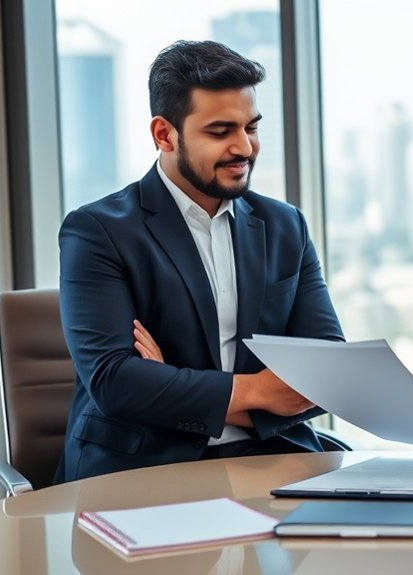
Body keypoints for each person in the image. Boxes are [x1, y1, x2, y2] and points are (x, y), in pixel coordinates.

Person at [56, 40, 343, 482]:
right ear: (164, 134)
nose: (244, 147)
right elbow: (116, 383)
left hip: (271, 462)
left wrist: (171, 384)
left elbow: (328, 372)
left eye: (251, 127)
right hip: (142, 469)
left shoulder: (285, 225)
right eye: (220, 131)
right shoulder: (97, 231)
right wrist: (257, 390)